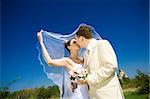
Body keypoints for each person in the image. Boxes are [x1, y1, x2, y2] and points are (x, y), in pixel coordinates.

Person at [75, 25, 125, 99]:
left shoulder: (102, 44)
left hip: (107, 94)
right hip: (93, 95)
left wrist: (88, 79)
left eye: (76, 39)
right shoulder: (85, 54)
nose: (76, 42)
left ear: (82, 38)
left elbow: (110, 67)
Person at [37, 32, 89, 99]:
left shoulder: (83, 60)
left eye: (77, 42)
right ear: (69, 47)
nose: (77, 43)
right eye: (74, 42)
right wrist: (41, 43)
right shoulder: (66, 61)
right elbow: (49, 61)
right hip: (77, 94)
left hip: (88, 92)